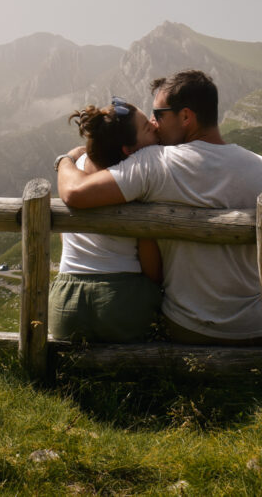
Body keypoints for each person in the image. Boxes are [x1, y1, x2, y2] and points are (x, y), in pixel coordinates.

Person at [55, 70, 262, 346]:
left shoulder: (154, 163)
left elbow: (76, 193)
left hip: (183, 324)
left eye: (159, 114)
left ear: (186, 116)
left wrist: (66, 159)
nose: (154, 123)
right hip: (257, 323)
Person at [48, 97, 163, 343]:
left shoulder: (75, 166)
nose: (154, 127)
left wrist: (65, 158)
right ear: (128, 150)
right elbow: (151, 268)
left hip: (65, 299)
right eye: (146, 128)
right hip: (121, 298)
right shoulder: (134, 181)